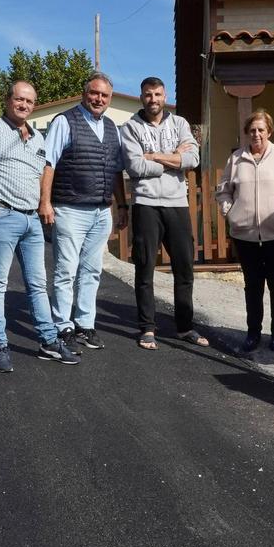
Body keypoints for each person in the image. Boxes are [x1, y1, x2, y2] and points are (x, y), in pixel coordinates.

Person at [0, 81, 81, 372]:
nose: (24, 105)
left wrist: (41, 205)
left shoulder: (38, 138)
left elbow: (41, 176)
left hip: (31, 220)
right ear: (7, 100)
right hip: (0, 215)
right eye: (19, 99)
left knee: (38, 284)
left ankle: (48, 342)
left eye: (30, 101)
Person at [39, 71, 129, 354]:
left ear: (110, 99)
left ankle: (84, 324)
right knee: (66, 271)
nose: (98, 98)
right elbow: (48, 163)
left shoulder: (113, 128)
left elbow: (116, 171)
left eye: (104, 95)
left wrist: (121, 204)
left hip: (101, 211)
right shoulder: (64, 122)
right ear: (84, 93)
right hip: (69, 209)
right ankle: (62, 326)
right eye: (94, 93)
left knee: (91, 271)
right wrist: (45, 202)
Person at [120, 76, 209, 350]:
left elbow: (192, 160)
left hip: (177, 204)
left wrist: (155, 156)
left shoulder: (180, 123)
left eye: (158, 94)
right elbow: (135, 167)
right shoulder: (130, 127)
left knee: (184, 268)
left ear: (164, 94)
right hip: (146, 204)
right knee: (145, 268)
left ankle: (185, 327)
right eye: (148, 95)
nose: (153, 100)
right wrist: (172, 158)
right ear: (141, 97)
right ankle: (147, 328)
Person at [215, 109, 274, 352]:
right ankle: (253, 332)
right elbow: (223, 189)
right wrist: (229, 209)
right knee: (252, 285)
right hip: (244, 235)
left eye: (261, 130)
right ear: (246, 133)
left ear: (269, 132)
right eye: (252, 130)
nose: (256, 134)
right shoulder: (236, 159)